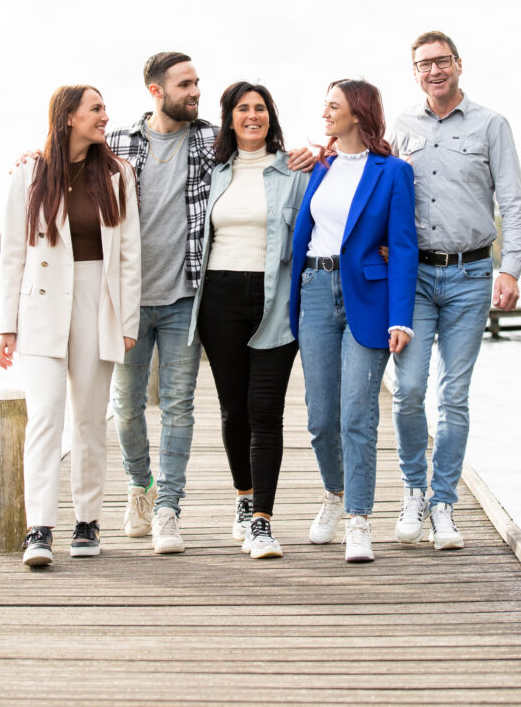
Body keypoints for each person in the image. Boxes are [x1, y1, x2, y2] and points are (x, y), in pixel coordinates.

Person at [107, 53, 313, 554]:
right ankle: (144, 486)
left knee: (193, 406)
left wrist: (322, 151)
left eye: (199, 82)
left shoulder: (223, 146)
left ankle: (180, 510)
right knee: (134, 407)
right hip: (150, 301)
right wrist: (34, 157)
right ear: (156, 89)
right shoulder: (126, 144)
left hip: (194, 297)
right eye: (186, 84)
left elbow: (306, 183)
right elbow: (69, 154)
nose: (196, 91)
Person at [391, 31, 521, 550]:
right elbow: (379, 190)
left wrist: (511, 269)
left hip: (472, 276)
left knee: (453, 395)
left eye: (441, 61)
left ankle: (444, 502)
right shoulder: (401, 126)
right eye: (423, 64)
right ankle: (413, 489)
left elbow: (514, 203)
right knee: (407, 391)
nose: (434, 70)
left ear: (458, 65)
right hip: (414, 279)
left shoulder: (491, 124)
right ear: (415, 72)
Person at [0, 85, 141, 568]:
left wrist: (127, 321)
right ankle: (39, 527)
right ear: (68, 118)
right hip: (39, 305)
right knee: (45, 416)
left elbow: (129, 258)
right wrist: (5, 327)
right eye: (96, 109)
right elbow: (12, 254)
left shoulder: (118, 174)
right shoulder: (29, 173)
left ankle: (87, 520)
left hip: (96, 302)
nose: (105, 117)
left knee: (88, 418)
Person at [290, 79, 418, 563]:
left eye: (333, 106)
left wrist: (400, 317)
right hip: (316, 292)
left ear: (358, 114)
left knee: (357, 416)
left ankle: (359, 519)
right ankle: (334, 494)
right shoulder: (316, 166)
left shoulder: (393, 172)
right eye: (324, 105)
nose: (325, 113)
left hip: (368, 295)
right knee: (321, 418)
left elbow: (403, 246)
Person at [188, 82, 309, 559]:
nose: (252, 116)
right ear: (230, 118)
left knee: (266, 410)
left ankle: (263, 520)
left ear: (270, 117)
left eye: (260, 108)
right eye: (243, 109)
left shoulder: (295, 171)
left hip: (274, 298)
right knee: (232, 409)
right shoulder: (214, 172)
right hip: (218, 298)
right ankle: (243, 498)